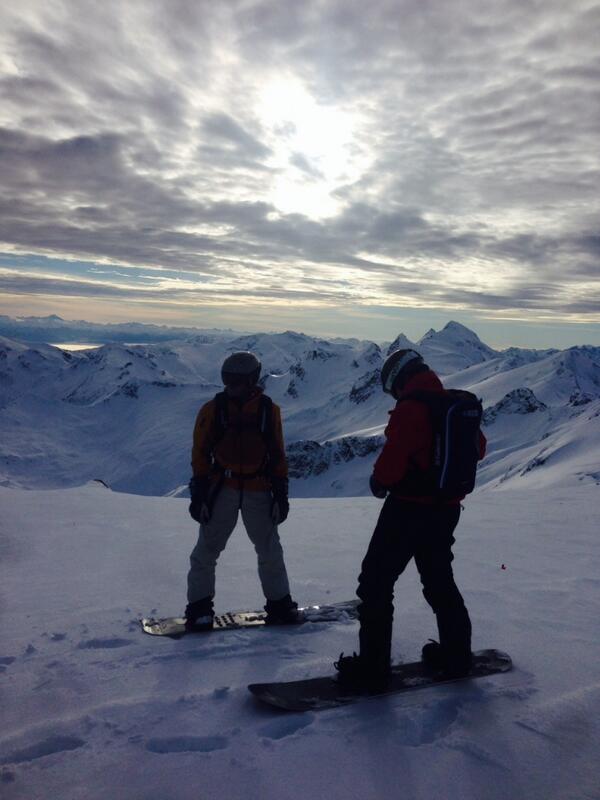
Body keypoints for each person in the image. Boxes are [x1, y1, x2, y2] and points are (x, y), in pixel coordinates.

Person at [335, 349, 487, 687]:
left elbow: (392, 462)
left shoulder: (412, 408)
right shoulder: (454, 404)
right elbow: (479, 448)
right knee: (439, 581)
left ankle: (373, 669)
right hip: (446, 509)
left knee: (375, 583)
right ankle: (457, 656)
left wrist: (379, 482)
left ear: (398, 380)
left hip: (407, 509)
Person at [185, 351, 299, 630]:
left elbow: (277, 454)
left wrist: (280, 493)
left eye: (236, 380)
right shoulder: (214, 410)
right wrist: (199, 493)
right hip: (226, 488)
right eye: (228, 380)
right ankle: (200, 609)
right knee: (208, 551)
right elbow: (200, 453)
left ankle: (278, 605)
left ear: (251, 380)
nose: (231, 386)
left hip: (251, 487)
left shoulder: (267, 411)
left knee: (268, 550)